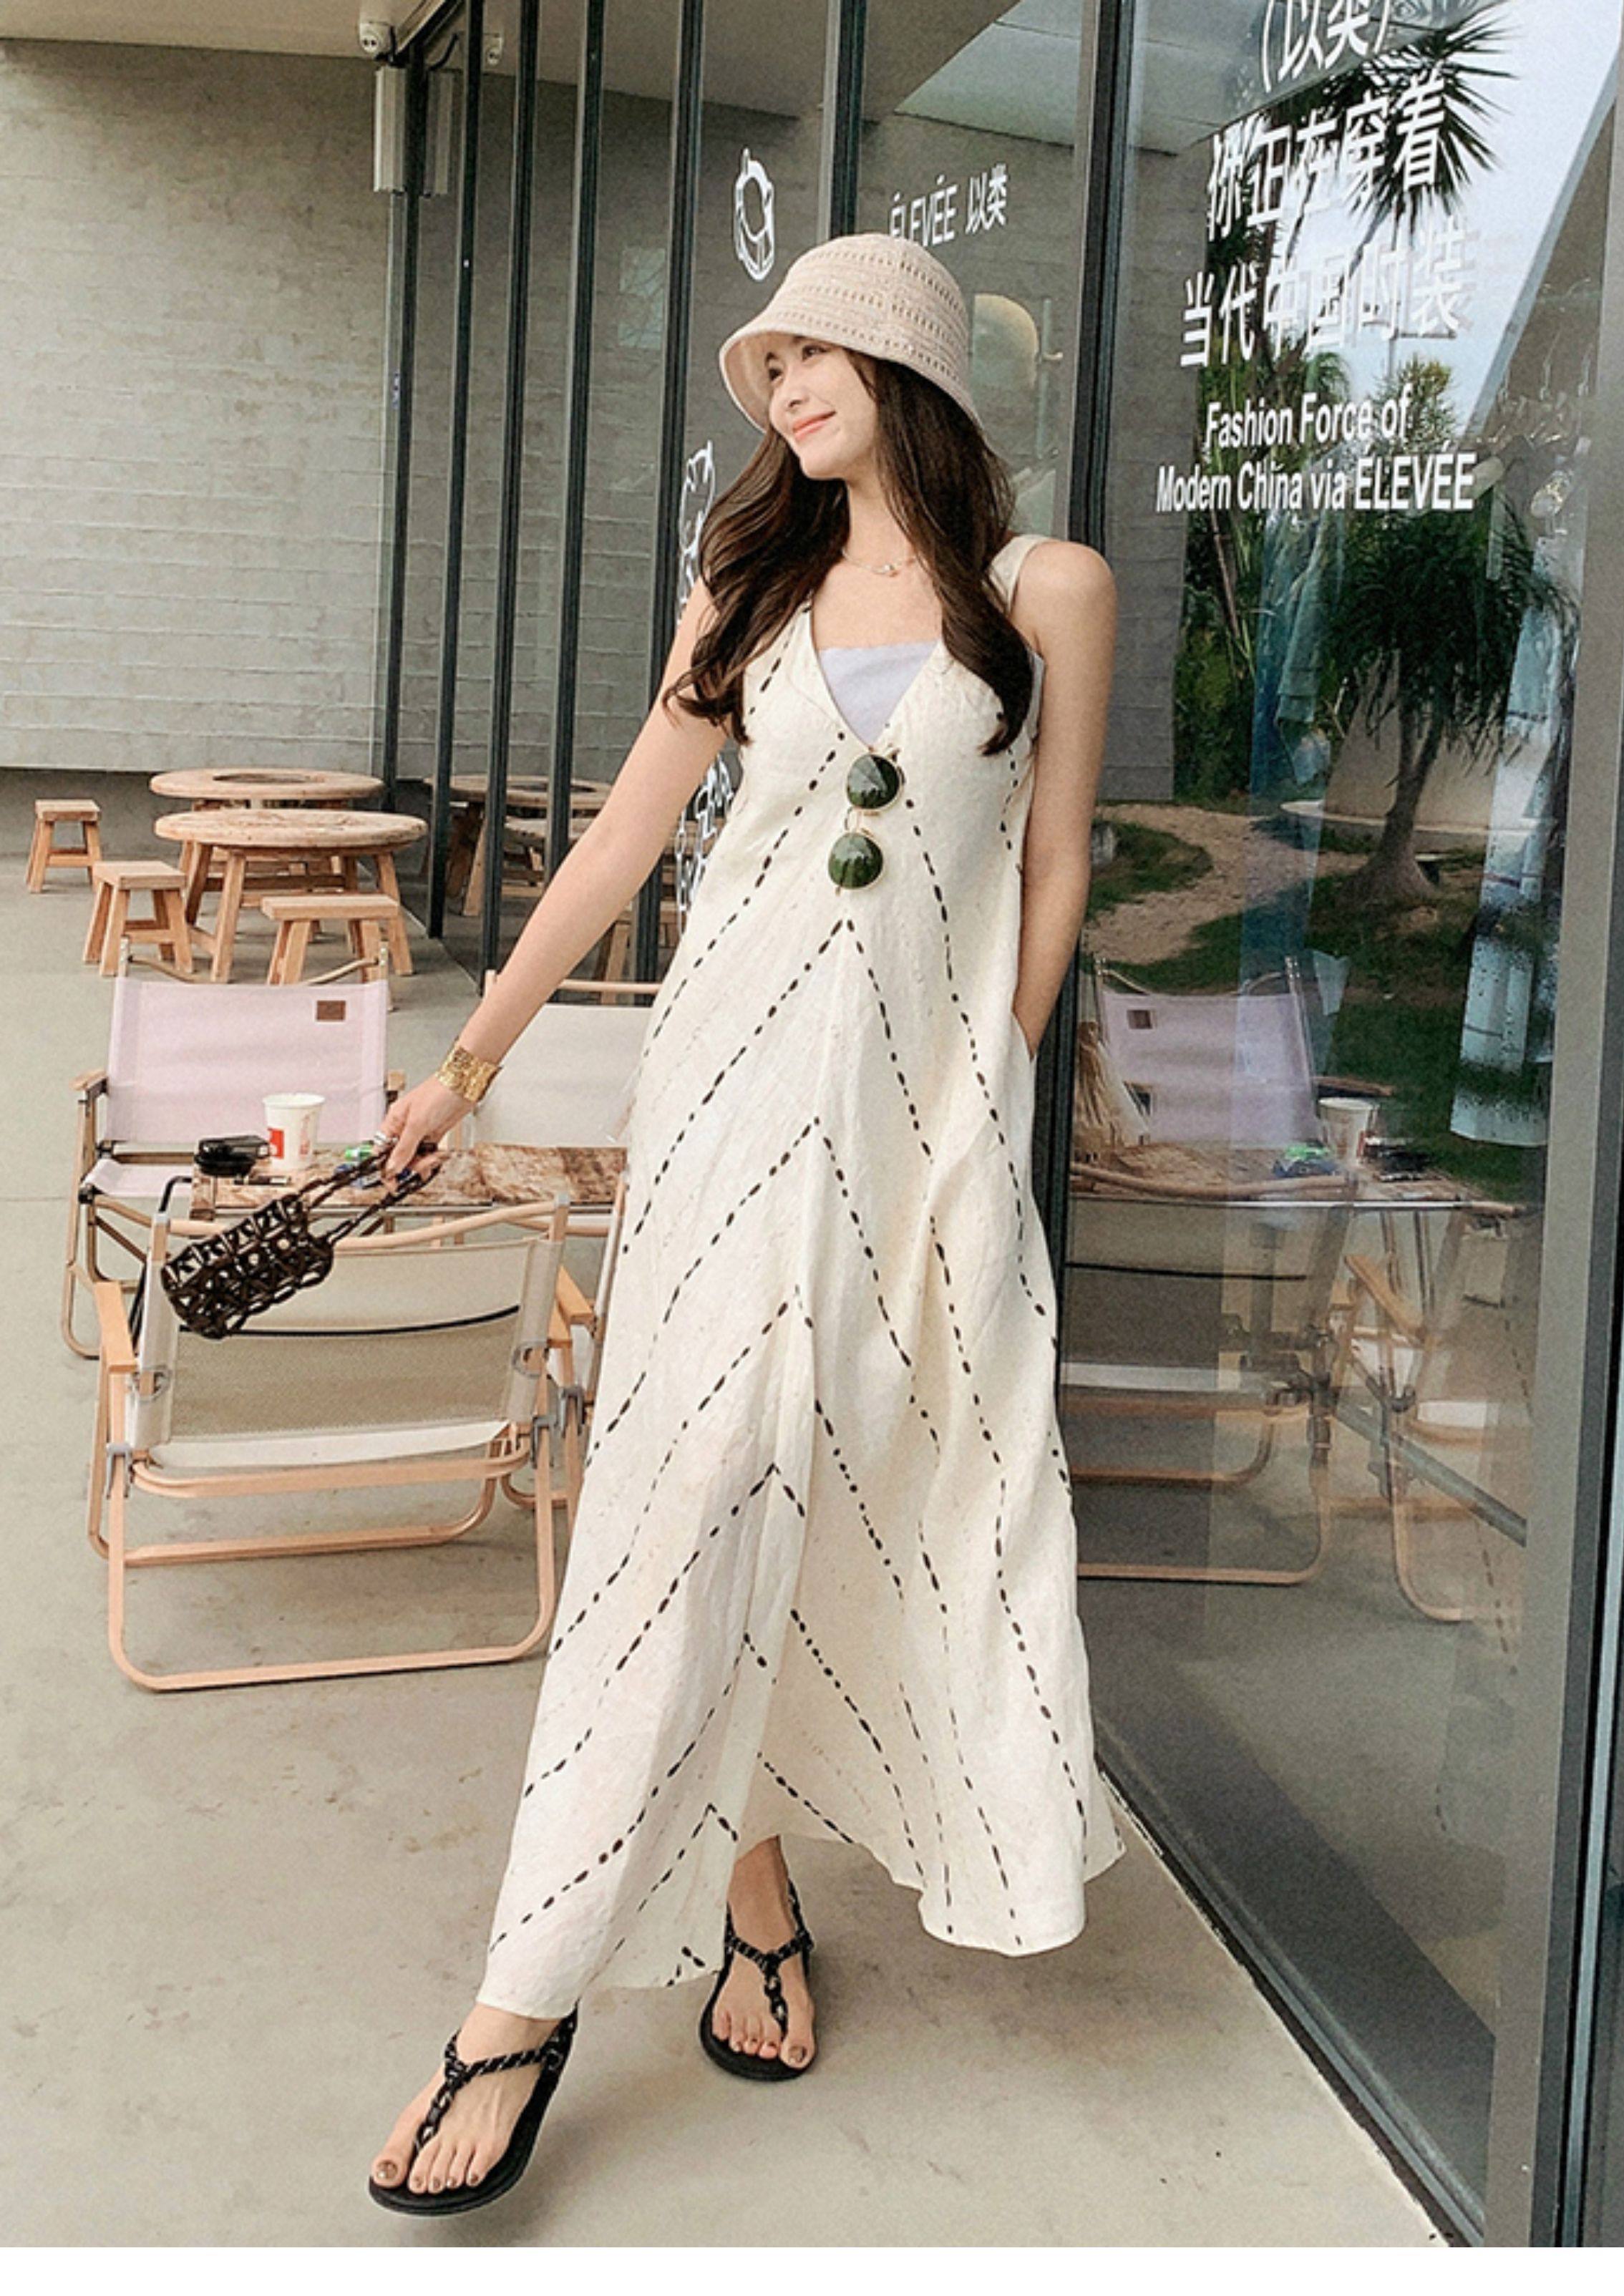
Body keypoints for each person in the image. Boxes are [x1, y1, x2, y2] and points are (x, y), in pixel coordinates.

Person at [367, 231, 1125, 2214]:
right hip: (725, 1103)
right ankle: (522, 2004)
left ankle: (757, 1892)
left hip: (919, 1127)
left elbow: (1054, 862)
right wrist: (467, 1064)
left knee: (862, 1488)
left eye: (817, 355)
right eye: (771, 364)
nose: (784, 389)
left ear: (912, 370)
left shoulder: (1046, 591)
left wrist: (993, 1080)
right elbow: (629, 836)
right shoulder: (753, 586)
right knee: (686, 1498)